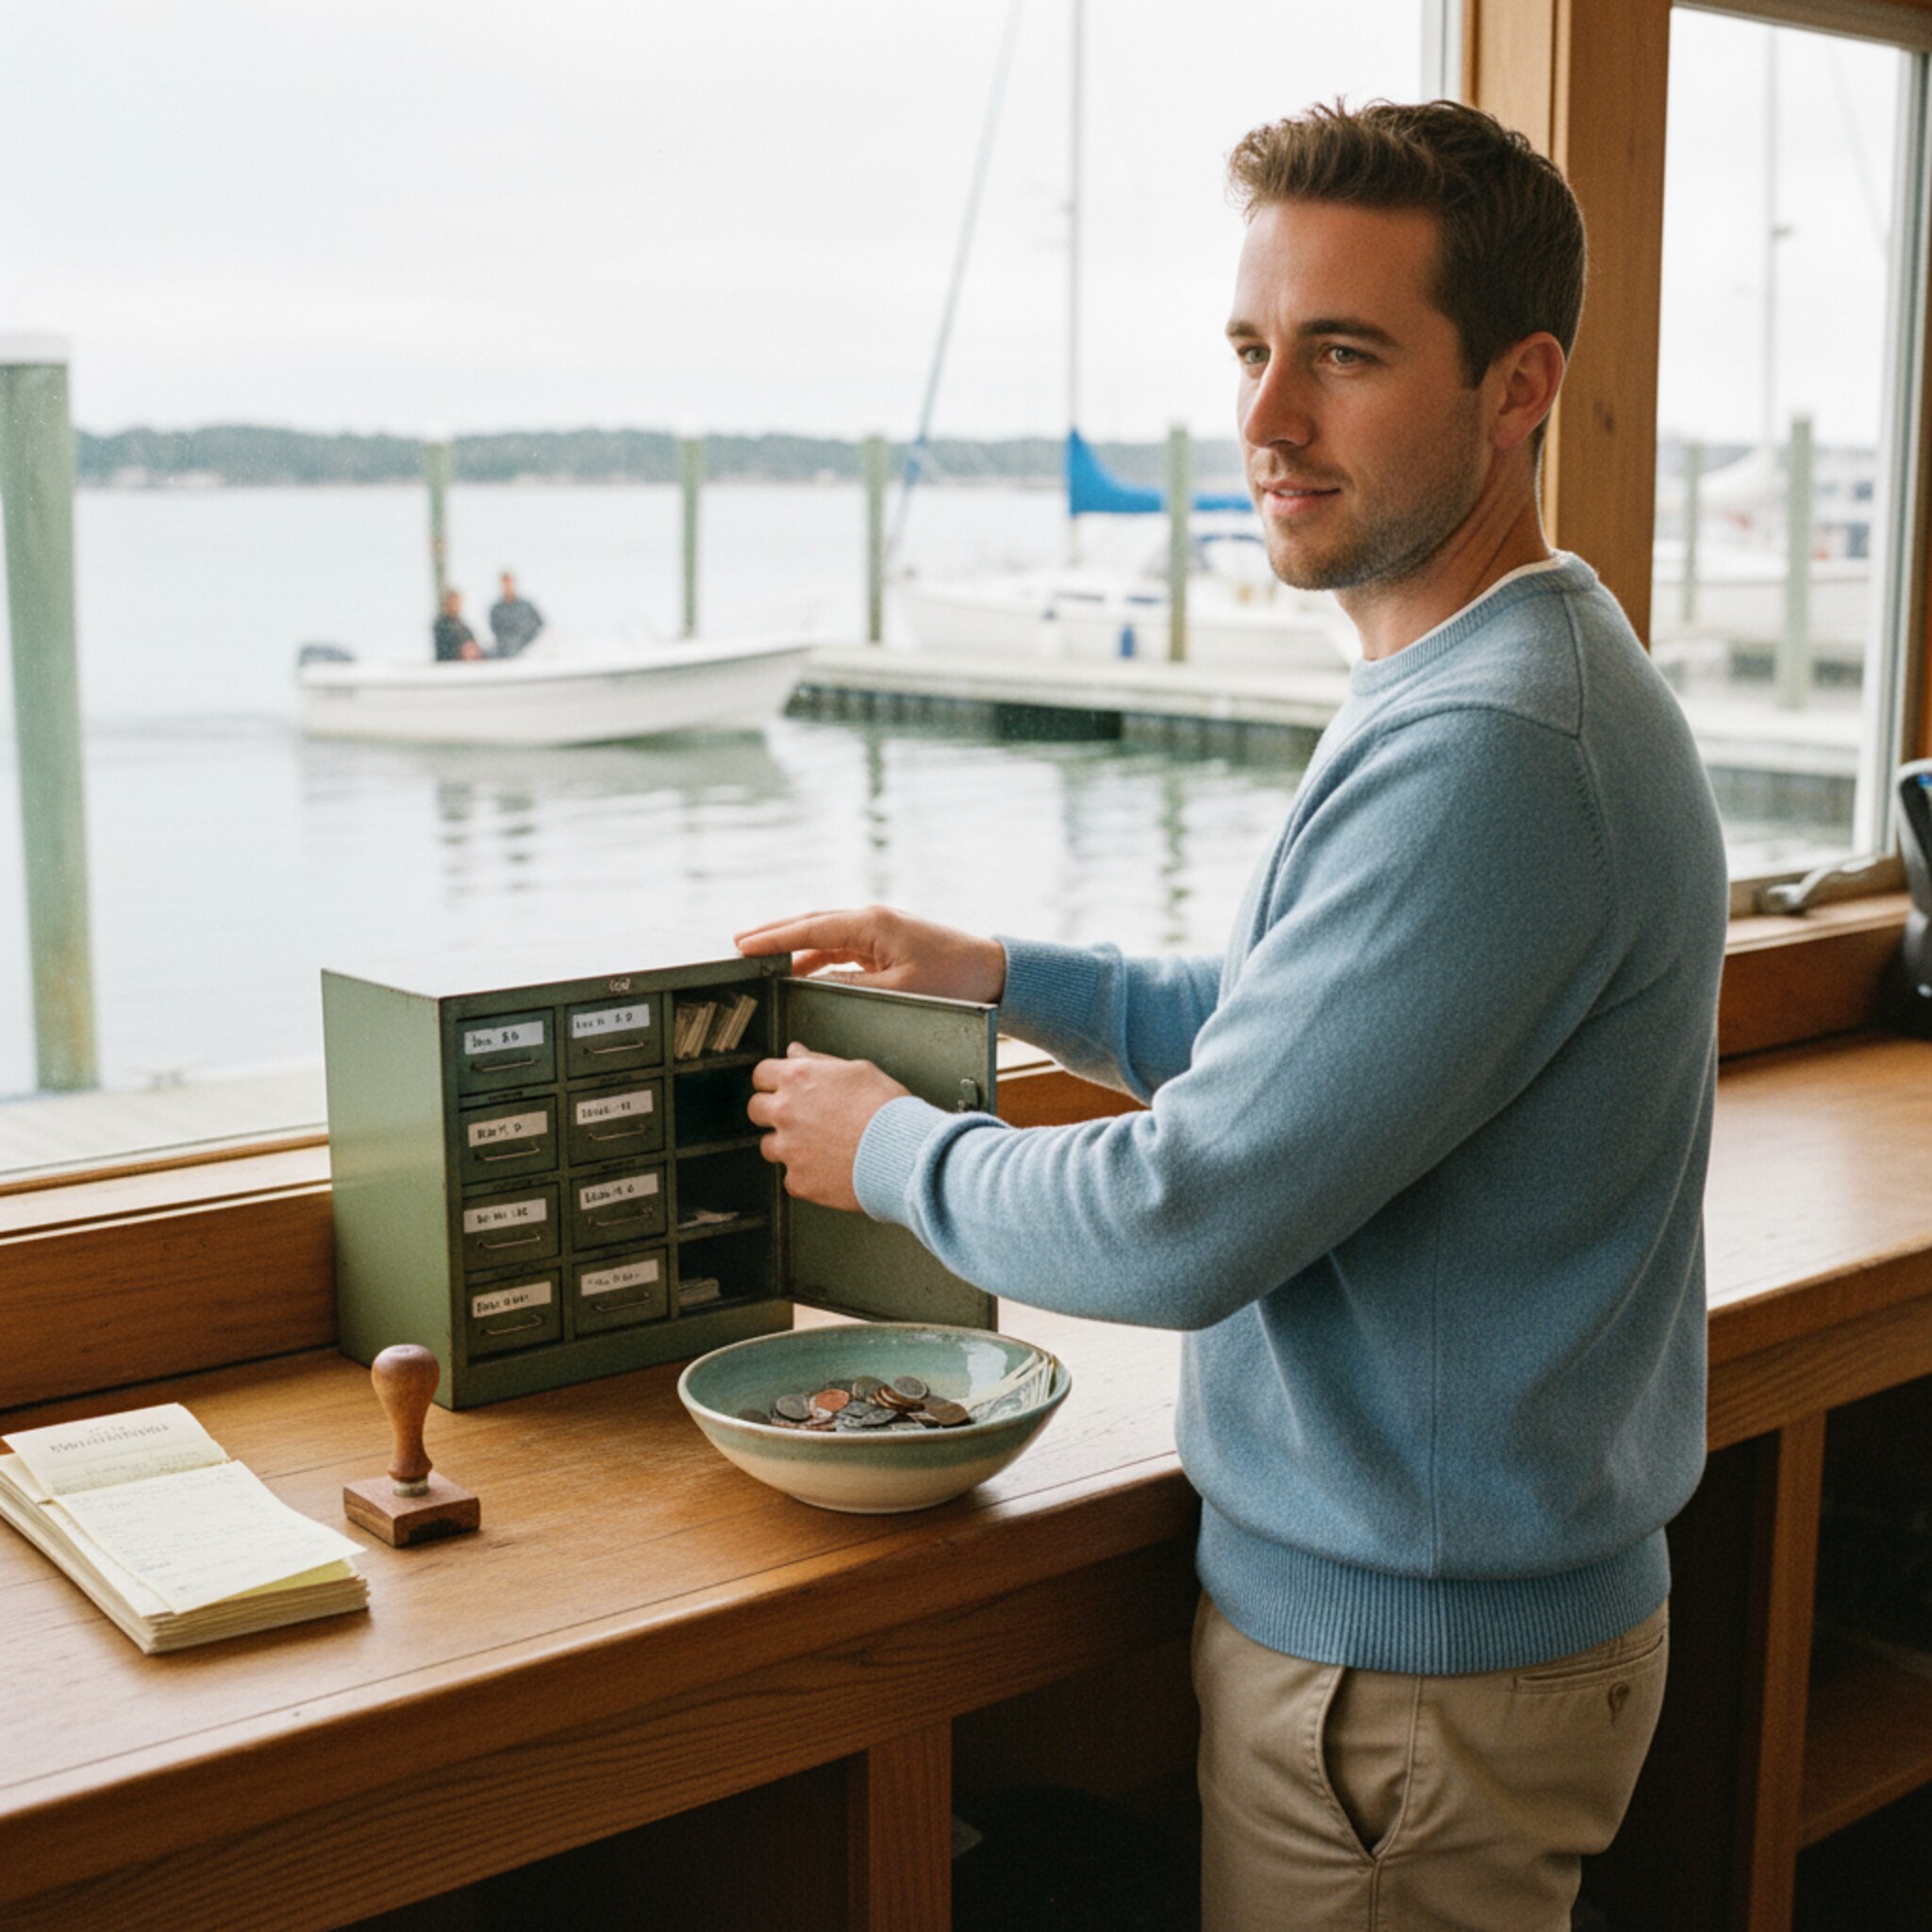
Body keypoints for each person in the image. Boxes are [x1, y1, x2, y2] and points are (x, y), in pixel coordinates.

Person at [738, 99, 1728, 1930]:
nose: (1265, 422)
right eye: (1252, 350)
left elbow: (1188, 1212)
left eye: (1342, 356)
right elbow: (1305, 1035)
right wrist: (1001, 978)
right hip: (1432, 1642)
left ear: (1519, 388)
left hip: (1406, 1687)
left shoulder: (1496, 745)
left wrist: (882, 1153)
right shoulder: (1498, 667)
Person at [489, 571, 543, 658]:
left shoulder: (526, 606)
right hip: (505, 652)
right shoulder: (496, 609)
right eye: (504, 583)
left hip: (529, 651)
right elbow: (495, 630)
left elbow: (540, 626)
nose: (507, 586)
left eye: (509, 583)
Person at [432, 587, 481, 663]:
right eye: (452, 602)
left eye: (457, 603)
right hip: (448, 667)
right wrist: (461, 652)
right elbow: (444, 650)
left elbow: (473, 645)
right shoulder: (441, 625)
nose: (455, 605)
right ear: (446, 604)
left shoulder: (464, 627)